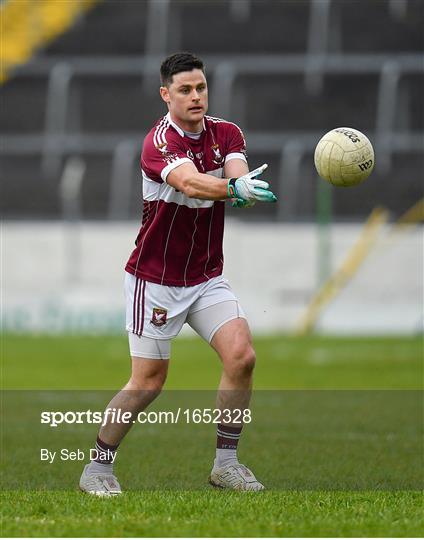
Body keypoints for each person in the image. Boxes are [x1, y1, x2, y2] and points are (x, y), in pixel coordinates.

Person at [79, 52, 277, 496]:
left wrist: (242, 186)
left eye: (201, 88)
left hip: (206, 277)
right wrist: (232, 190)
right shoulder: (159, 142)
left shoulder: (226, 132)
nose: (195, 97)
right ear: (166, 95)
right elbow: (189, 182)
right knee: (148, 383)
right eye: (185, 90)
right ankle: (96, 468)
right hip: (156, 281)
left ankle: (226, 464)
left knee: (242, 357)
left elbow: (236, 167)